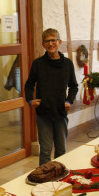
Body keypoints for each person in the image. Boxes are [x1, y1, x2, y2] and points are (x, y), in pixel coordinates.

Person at [25, 28, 78, 165]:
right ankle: (44, 182)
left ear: (59, 42)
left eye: (53, 40)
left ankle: (60, 180)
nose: (50, 44)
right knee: (45, 152)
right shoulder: (38, 64)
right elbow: (29, 84)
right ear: (43, 44)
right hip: (44, 115)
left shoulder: (67, 64)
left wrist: (69, 101)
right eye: (47, 41)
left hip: (60, 114)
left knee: (61, 151)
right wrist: (30, 100)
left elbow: (74, 86)